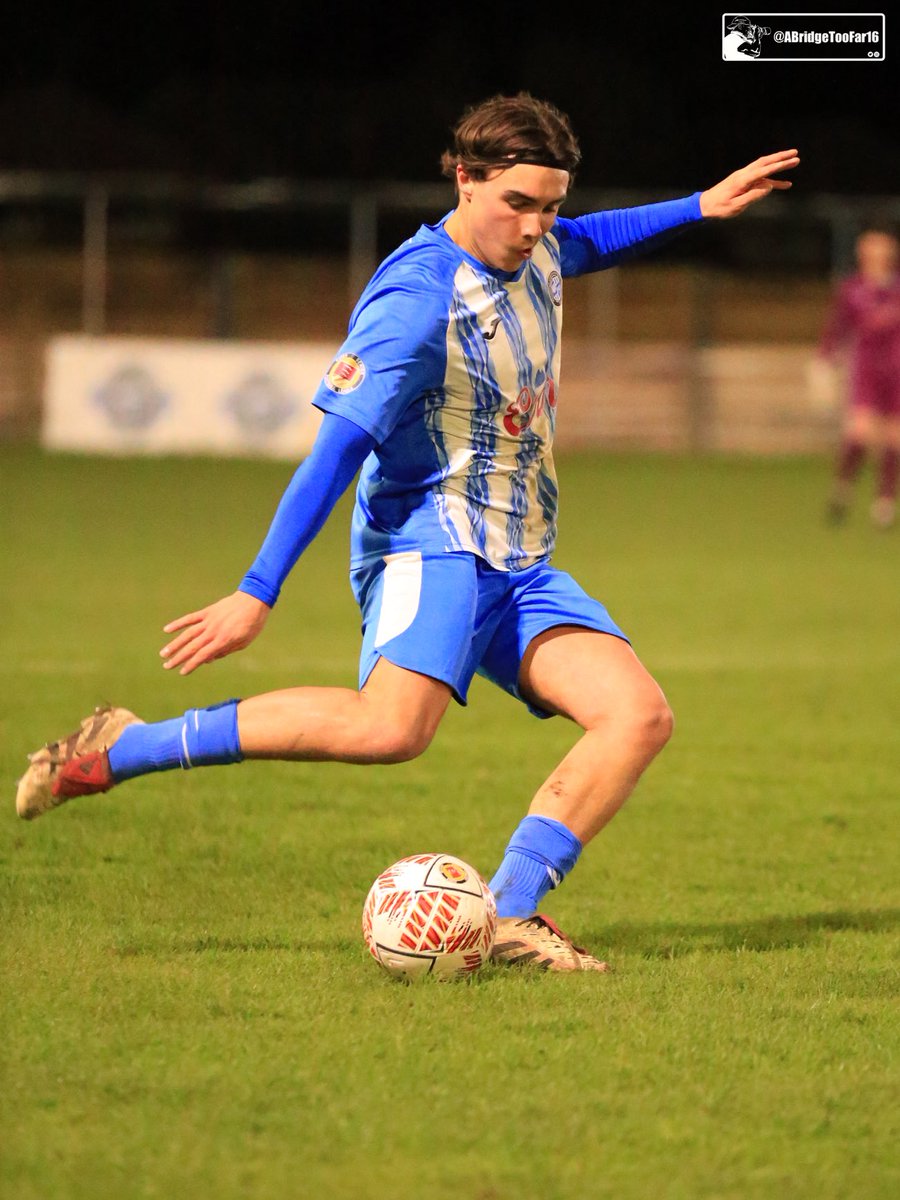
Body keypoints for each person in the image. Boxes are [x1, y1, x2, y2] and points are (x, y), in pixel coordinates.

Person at [16, 95, 799, 972]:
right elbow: (334, 454)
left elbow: (593, 239)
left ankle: (507, 914)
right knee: (392, 730)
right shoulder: (417, 305)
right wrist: (256, 591)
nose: (538, 225)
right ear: (464, 180)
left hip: (519, 554)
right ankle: (128, 746)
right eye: (519, 203)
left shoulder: (540, 251)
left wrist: (700, 205)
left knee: (636, 715)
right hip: (430, 544)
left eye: (551, 204)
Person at [818, 225, 900, 529]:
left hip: (897, 371)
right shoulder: (852, 289)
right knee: (860, 433)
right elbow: (837, 328)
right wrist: (824, 360)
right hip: (866, 370)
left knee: (894, 437)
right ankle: (843, 488)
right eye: (870, 248)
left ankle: (885, 504)